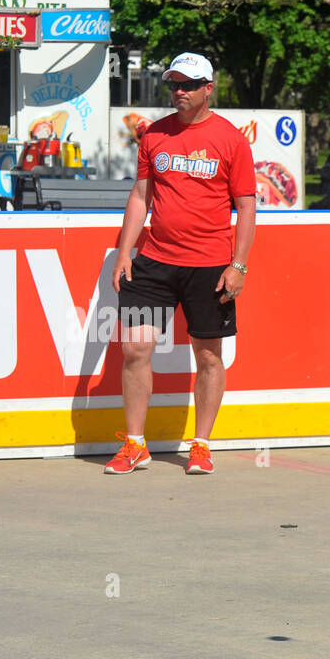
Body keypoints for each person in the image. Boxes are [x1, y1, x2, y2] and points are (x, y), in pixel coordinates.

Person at [106, 52, 256, 476]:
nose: (180, 91)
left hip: (210, 266)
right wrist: (123, 251)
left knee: (208, 355)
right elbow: (140, 196)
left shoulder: (231, 140)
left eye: (189, 84)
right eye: (174, 83)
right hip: (153, 262)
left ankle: (201, 444)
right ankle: (135, 444)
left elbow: (246, 208)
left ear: (209, 88)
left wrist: (238, 266)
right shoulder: (154, 135)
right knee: (134, 347)